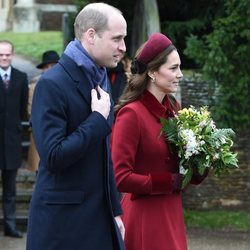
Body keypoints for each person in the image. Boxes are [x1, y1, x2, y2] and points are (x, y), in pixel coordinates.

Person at [26, 3, 127, 250]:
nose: (123, 47)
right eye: (117, 38)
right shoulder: (52, 84)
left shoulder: (99, 78)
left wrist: (114, 210)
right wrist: (96, 120)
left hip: (99, 218)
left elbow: (104, 155)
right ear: (91, 35)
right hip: (63, 226)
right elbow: (52, 156)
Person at [111, 32, 208, 250]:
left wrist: (203, 159)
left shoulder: (174, 110)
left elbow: (183, 168)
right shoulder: (131, 114)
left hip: (170, 211)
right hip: (145, 214)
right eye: (173, 68)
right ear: (153, 72)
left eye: (179, 67)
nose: (180, 74)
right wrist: (168, 182)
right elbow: (121, 177)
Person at [0, 40, 28, 238]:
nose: (4, 58)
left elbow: (22, 111)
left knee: (10, 189)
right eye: (0, 55)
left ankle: (10, 226)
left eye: (7, 54)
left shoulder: (21, 77)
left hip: (11, 142)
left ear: (13, 54)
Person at [27, 50, 60, 172]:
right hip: (40, 130)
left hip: (60, 132)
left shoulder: (66, 82)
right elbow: (31, 108)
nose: (49, 69)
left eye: (53, 66)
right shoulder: (35, 84)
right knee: (40, 168)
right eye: (46, 66)